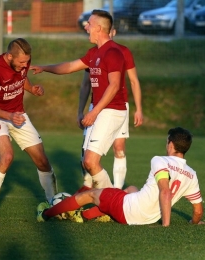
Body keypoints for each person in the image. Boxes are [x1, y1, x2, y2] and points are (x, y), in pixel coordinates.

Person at [31, 9, 127, 190]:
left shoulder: (113, 52)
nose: (86, 27)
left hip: (111, 111)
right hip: (100, 110)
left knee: (91, 162)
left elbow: (114, 86)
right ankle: (106, 199)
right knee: (86, 162)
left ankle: (113, 199)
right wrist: (45, 68)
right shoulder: (93, 53)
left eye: (89, 24)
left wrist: (94, 111)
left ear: (98, 28)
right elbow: (69, 66)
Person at [37, 127, 204, 226]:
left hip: (129, 211)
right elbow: (197, 211)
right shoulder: (192, 174)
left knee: (90, 194)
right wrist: (194, 222)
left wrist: (166, 225)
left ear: (171, 144)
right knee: (131, 189)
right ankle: (101, 213)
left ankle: (47, 214)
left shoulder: (160, 160)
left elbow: (165, 192)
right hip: (147, 218)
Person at [0, 38, 58, 222]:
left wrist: (32, 89)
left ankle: (54, 203)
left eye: (27, 62)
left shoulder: (23, 61)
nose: (25, 65)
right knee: (7, 157)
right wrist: (9, 117)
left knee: (42, 161)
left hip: (18, 114)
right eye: (21, 62)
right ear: (9, 56)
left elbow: (21, 78)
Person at [77, 28, 143, 191]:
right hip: (97, 107)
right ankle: (87, 186)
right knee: (86, 151)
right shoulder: (93, 53)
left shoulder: (122, 51)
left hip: (118, 107)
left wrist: (138, 109)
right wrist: (81, 110)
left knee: (119, 148)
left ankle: (117, 190)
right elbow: (86, 83)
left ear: (112, 31)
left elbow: (133, 81)